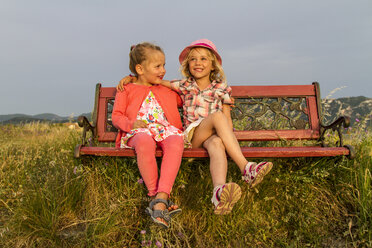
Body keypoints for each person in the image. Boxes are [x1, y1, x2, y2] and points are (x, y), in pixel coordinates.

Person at [118, 39, 272, 215]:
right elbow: (152, 80)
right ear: (187, 64)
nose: (198, 63)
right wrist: (131, 77)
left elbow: (227, 122)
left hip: (212, 136)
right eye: (193, 59)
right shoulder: (184, 85)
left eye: (204, 59)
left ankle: (218, 192)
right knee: (217, 116)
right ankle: (246, 168)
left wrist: (224, 136)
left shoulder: (222, 88)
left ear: (213, 65)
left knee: (217, 144)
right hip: (193, 136)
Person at [112, 42, 184, 228]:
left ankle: (162, 197)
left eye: (164, 65)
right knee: (144, 141)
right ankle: (154, 195)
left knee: (176, 141)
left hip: (163, 129)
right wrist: (130, 124)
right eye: (158, 66)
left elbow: (188, 96)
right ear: (140, 69)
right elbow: (117, 116)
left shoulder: (165, 88)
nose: (163, 71)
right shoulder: (127, 89)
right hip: (138, 130)